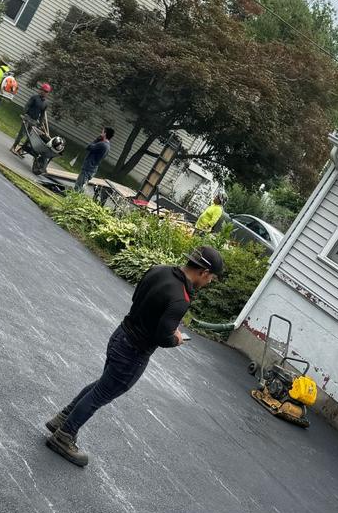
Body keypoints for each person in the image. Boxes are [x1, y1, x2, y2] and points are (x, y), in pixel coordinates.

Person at [45, 245, 225, 467]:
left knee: (102, 385)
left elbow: (137, 298)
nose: (209, 282)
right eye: (211, 278)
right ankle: (63, 437)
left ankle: (62, 419)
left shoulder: (159, 269)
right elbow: (163, 337)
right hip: (134, 352)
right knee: (101, 393)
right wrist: (176, 339)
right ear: (204, 272)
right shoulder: (181, 298)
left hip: (121, 335)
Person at [12, 81, 52, 154]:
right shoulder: (35, 98)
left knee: (30, 138)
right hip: (28, 118)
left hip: (34, 121)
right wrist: (24, 115)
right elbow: (27, 106)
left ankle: (21, 150)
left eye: (46, 92)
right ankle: (13, 147)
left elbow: (42, 114)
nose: (45, 93)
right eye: (44, 91)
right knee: (22, 134)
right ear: (41, 90)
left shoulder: (45, 103)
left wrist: (40, 124)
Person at [72, 126, 115, 194]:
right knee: (82, 186)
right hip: (93, 168)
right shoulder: (107, 145)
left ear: (105, 134)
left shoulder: (102, 144)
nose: (101, 133)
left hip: (88, 167)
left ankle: (73, 198)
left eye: (102, 132)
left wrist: (97, 139)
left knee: (78, 186)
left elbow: (88, 147)